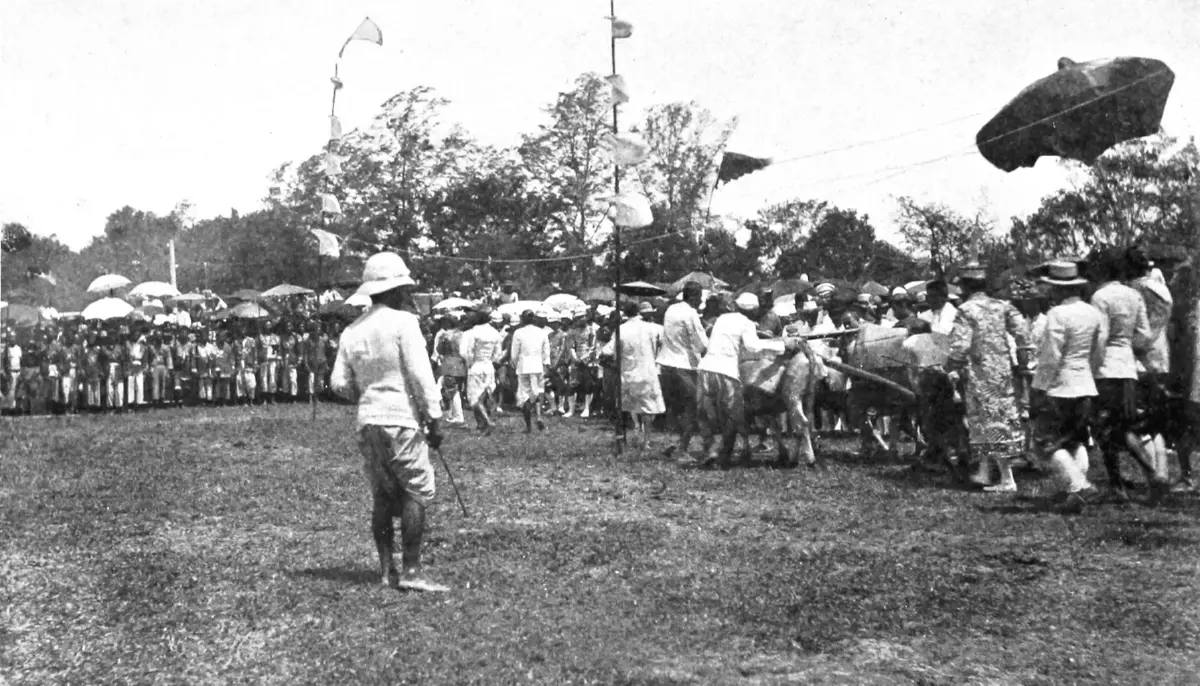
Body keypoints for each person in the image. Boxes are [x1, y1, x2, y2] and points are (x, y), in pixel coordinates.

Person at [330, 252, 448, 593]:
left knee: (382, 495)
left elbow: (338, 383)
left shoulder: (352, 330)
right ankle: (411, 570)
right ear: (395, 290)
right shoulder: (404, 323)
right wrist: (435, 417)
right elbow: (421, 375)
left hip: (368, 420)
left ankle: (386, 570)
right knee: (415, 491)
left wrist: (366, 395)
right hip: (401, 419)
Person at [944, 263, 1030, 493]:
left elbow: (961, 345)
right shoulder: (1003, 306)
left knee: (987, 421)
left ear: (966, 286)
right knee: (994, 419)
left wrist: (950, 365)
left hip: (979, 373)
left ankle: (1007, 478)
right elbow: (1023, 333)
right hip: (1002, 372)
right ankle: (984, 471)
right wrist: (1023, 358)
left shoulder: (966, 310)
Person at [696, 293, 803, 468]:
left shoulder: (722, 318)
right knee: (732, 415)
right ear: (753, 311)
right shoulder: (747, 323)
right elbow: (753, 346)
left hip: (705, 368)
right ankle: (723, 457)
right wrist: (783, 345)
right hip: (726, 371)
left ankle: (710, 450)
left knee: (707, 414)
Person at [1031, 261, 1105, 512]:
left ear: (1059, 289)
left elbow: (1051, 356)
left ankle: (1079, 485)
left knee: (1045, 442)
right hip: (1085, 383)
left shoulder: (1057, 314)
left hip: (1060, 387)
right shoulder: (1092, 313)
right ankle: (1074, 493)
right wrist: (1090, 373)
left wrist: (1039, 387)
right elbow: (1098, 350)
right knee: (1075, 439)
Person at [1088, 246, 1154, 502]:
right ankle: (1152, 473)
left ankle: (1118, 485)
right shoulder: (1134, 296)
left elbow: (1101, 336)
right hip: (1127, 367)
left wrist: (1094, 367)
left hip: (1106, 368)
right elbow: (1145, 335)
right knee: (1124, 427)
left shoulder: (1100, 297)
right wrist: (1126, 348)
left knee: (1105, 430)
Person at [657, 282, 709, 458]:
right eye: (699, 297)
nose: (700, 300)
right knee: (693, 407)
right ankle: (682, 449)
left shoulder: (671, 309)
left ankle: (673, 443)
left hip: (666, 364)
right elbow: (700, 343)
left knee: (675, 408)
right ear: (693, 296)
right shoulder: (690, 313)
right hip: (684, 365)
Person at [610, 301, 666, 449]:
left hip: (627, 373)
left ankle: (626, 436)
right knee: (649, 408)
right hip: (648, 372)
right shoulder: (652, 328)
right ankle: (646, 440)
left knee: (627, 407)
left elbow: (614, 354)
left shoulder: (620, 330)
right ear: (638, 312)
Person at [459, 310, 505, 433]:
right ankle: (483, 425)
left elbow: (464, 352)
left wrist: (469, 362)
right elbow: (497, 353)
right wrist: (491, 360)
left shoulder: (470, 333)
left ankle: (485, 422)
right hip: (488, 366)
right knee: (485, 396)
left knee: (474, 397)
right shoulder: (495, 333)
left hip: (476, 366)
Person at [509, 309, 551, 433]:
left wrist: (514, 363)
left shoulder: (518, 332)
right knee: (537, 392)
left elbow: (514, 352)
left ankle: (528, 426)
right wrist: (545, 364)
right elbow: (546, 351)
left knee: (524, 396)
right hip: (537, 365)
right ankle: (538, 416)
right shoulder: (542, 332)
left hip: (523, 366)